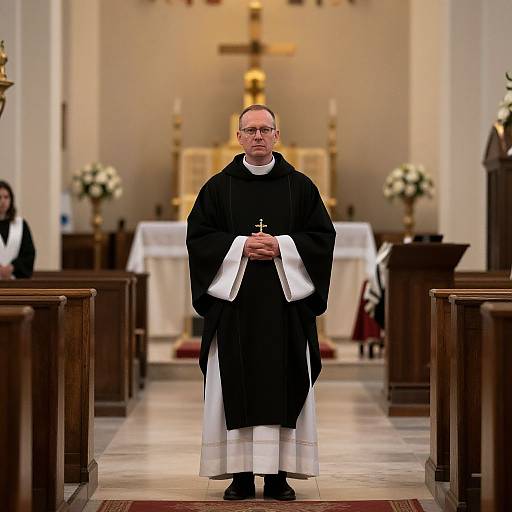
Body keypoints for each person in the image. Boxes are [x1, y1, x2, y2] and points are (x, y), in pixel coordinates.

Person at [187, 105, 335, 501]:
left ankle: (277, 476)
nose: (257, 136)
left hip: (284, 310)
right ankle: (239, 475)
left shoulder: (300, 187)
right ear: (238, 137)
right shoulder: (218, 188)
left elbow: (322, 238)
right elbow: (199, 239)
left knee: (283, 382)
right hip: (235, 310)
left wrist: (282, 246)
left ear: (276, 135)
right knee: (235, 384)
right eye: (250, 130)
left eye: (264, 129)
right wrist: (240, 246)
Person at [0, 180, 36, 279]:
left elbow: (29, 254)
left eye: (6, 197)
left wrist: (12, 267)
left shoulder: (20, 224)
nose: (3, 201)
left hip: (15, 280)